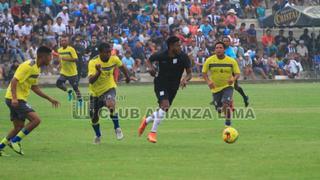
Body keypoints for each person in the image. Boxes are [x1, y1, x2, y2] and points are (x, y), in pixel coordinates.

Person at [0, 46, 60, 156]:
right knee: (36, 120)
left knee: (18, 127)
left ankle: (1, 147)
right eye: (50, 56)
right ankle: (15, 141)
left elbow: (34, 87)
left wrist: (49, 98)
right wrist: (14, 98)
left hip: (16, 99)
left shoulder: (36, 68)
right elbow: (14, 81)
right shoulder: (28, 66)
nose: (51, 58)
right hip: (16, 99)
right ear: (43, 57)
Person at [138, 36, 192, 143]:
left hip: (174, 86)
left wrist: (185, 79)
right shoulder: (161, 55)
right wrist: (151, 68)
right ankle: (152, 133)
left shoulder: (183, 57)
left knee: (163, 110)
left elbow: (189, 73)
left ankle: (146, 120)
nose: (180, 47)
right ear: (171, 46)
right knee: (165, 105)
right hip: (161, 83)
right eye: (177, 45)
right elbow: (148, 61)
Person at [88, 43, 130, 144]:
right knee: (94, 116)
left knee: (110, 104)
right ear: (100, 53)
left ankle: (117, 128)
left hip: (109, 88)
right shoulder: (93, 62)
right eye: (106, 52)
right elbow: (91, 81)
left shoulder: (114, 59)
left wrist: (128, 77)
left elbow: (122, 67)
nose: (108, 54)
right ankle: (98, 135)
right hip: (95, 92)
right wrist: (98, 72)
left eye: (109, 52)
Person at [202, 41, 240, 127]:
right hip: (215, 88)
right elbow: (204, 73)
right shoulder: (209, 60)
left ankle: (228, 124)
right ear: (214, 50)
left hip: (228, 86)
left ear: (224, 50)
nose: (218, 49)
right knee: (219, 108)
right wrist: (208, 81)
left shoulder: (231, 61)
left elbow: (237, 73)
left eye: (220, 48)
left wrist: (233, 79)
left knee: (226, 104)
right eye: (217, 48)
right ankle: (219, 107)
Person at [222, 37, 249, 107]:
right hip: (223, 70)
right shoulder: (221, 49)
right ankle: (244, 97)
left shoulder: (230, 50)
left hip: (231, 71)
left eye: (227, 41)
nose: (225, 42)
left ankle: (243, 98)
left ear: (229, 42)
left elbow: (233, 59)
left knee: (234, 87)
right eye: (224, 41)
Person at [56, 35, 82, 103]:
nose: (63, 42)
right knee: (58, 84)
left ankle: (80, 100)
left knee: (75, 88)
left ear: (68, 42)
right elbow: (60, 59)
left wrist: (65, 59)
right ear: (60, 42)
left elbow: (76, 59)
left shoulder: (71, 49)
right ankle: (69, 91)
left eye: (65, 40)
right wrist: (59, 65)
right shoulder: (59, 50)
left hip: (72, 73)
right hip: (64, 72)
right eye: (62, 41)